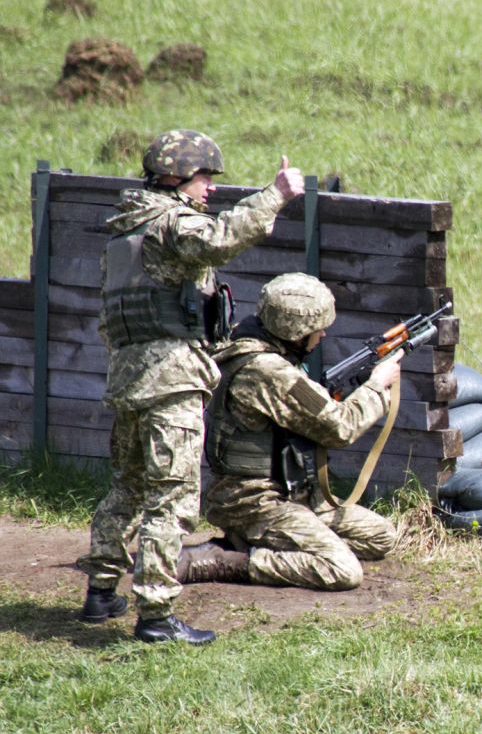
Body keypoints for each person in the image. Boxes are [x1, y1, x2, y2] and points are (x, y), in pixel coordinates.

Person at [76, 129, 305, 645]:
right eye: (204, 178)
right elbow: (219, 238)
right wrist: (276, 195)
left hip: (129, 379)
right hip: (172, 381)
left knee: (128, 486)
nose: (211, 189)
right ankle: (155, 616)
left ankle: (101, 590)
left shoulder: (124, 236)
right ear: (176, 178)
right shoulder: (173, 222)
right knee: (171, 497)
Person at [179, 272, 401, 592]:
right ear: (294, 332)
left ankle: (276, 545)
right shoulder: (269, 371)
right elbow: (341, 428)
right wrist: (377, 387)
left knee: (381, 536)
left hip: (291, 496)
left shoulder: (248, 343)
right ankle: (227, 560)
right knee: (341, 569)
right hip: (254, 503)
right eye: (316, 328)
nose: (323, 334)